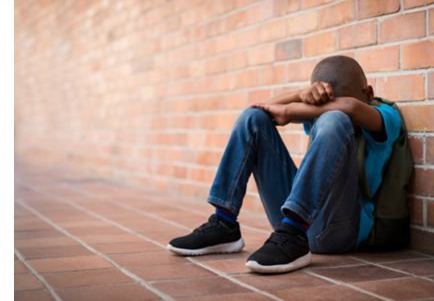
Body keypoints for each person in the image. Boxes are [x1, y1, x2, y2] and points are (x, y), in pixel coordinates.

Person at [167, 55, 402, 274]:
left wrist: (290, 111)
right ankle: (224, 222)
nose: (323, 111)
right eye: (323, 105)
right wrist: (300, 94)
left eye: (330, 104)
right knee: (253, 118)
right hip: (292, 223)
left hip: (340, 231)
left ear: (369, 93)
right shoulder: (320, 113)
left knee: (336, 119)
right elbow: (260, 108)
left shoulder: (385, 116)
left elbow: (350, 107)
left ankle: (294, 234)